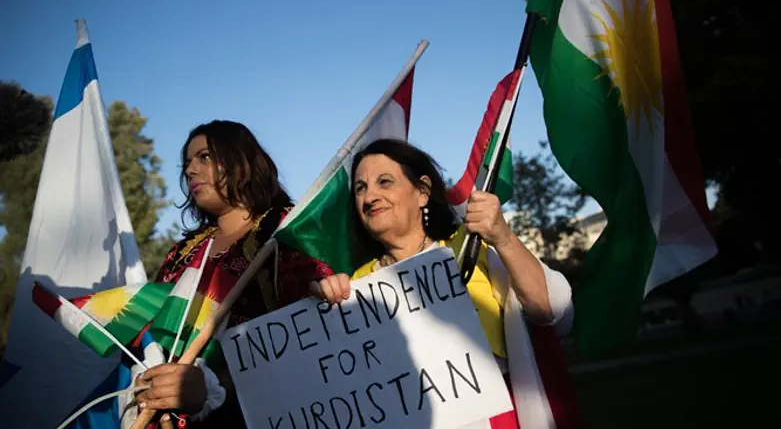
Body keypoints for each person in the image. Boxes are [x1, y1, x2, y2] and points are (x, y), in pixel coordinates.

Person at [313, 138, 582, 429]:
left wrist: (503, 238)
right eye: (361, 188)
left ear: (422, 192)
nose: (369, 197)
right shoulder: (358, 285)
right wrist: (328, 305)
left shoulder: (470, 248)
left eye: (385, 182)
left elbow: (552, 311)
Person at [128, 120, 334, 428]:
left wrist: (214, 385)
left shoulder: (287, 231)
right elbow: (155, 334)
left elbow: (312, 332)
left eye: (204, 158)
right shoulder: (181, 254)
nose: (189, 170)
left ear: (241, 162)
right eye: (187, 163)